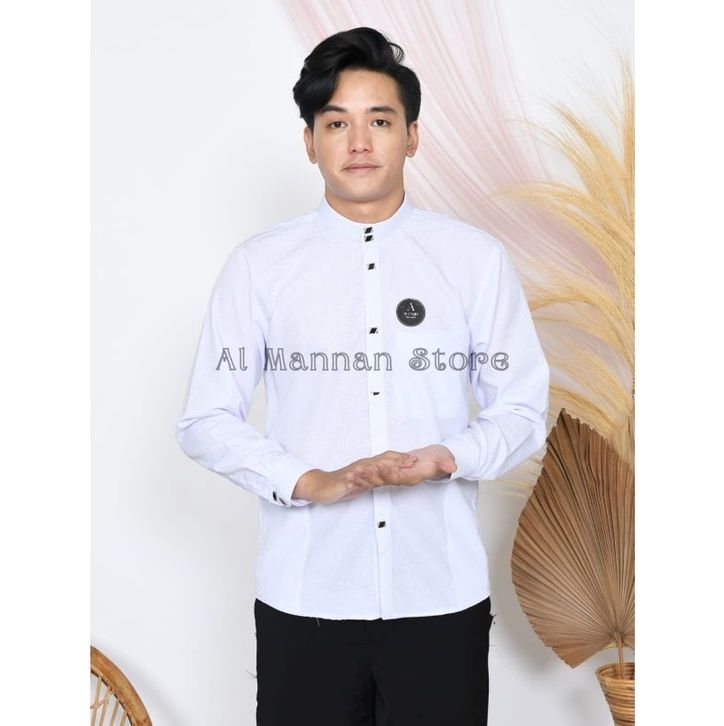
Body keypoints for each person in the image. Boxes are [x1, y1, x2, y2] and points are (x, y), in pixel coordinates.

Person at [176, 26, 549, 726]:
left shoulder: (474, 261)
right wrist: (303, 480)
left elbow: (522, 409)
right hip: (305, 597)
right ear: (309, 141)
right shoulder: (259, 267)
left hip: (439, 595)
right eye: (335, 123)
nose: (358, 142)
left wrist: (448, 457)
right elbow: (205, 419)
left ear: (412, 136)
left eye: (379, 121)